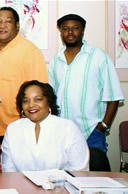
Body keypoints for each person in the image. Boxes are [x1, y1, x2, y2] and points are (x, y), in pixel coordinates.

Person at [48, 14, 124, 169]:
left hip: (92, 132)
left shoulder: (98, 56)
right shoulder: (55, 60)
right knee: (66, 181)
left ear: (82, 31)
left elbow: (114, 96)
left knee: (96, 180)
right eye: (66, 29)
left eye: (75, 28)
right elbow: (51, 96)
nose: (70, 32)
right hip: (64, 133)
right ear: (61, 32)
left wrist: (103, 127)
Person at [0, 7, 48, 143]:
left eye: (8, 21)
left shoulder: (30, 51)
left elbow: (42, 92)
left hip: (20, 126)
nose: (2, 25)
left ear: (17, 25)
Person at [1, 80, 89, 172]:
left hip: (61, 185)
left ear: (48, 102)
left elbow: (79, 171)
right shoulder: (13, 129)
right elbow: (8, 171)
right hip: (21, 185)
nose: (31, 105)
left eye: (38, 99)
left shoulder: (68, 128)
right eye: (26, 101)